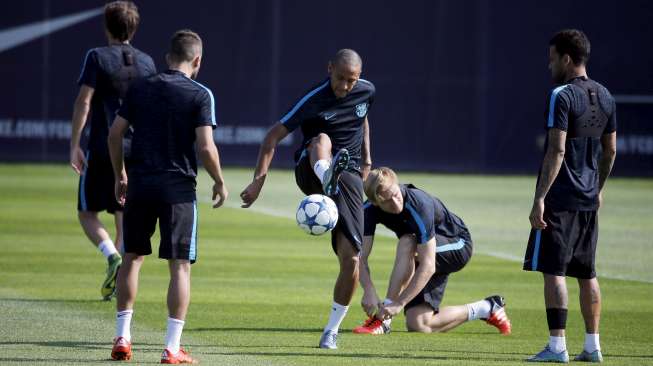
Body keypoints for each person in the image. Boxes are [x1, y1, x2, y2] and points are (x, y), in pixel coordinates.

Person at [240, 49, 374, 349]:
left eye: (351, 80)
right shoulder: (313, 98)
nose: (345, 86)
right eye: (341, 78)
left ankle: (331, 330)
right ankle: (327, 173)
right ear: (329, 69)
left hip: (350, 174)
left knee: (352, 259)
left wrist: (366, 162)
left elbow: (364, 118)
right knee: (322, 140)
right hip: (309, 169)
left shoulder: (366, 91)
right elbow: (271, 137)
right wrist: (258, 182)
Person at [107, 29, 227, 363]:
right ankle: (171, 348)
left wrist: (120, 174)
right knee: (179, 268)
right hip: (177, 188)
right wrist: (219, 180)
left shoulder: (140, 87)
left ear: (166, 56)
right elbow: (205, 146)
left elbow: (114, 134)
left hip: (141, 185)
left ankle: (122, 337)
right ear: (198, 60)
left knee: (131, 257)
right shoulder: (200, 94)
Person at [524, 29, 617, 363]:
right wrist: (598, 188)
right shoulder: (606, 95)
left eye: (552, 59)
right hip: (589, 201)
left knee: (555, 272)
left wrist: (539, 198)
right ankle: (593, 347)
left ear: (566, 58)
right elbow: (611, 151)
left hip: (561, 199)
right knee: (587, 274)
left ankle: (557, 346)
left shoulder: (561, 95)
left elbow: (557, 150)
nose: (549, 65)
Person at [352, 167, 511, 336]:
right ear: (376, 202)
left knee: (407, 242)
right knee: (419, 324)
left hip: (457, 244)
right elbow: (360, 256)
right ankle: (487, 308)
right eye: (388, 201)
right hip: (426, 250)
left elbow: (428, 266)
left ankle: (383, 322)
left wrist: (398, 304)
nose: (396, 203)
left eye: (396, 195)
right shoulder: (368, 210)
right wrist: (368, 290)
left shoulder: (419, 204)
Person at [70, 1, 156, 300]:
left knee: (86, 213)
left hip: (103, 147)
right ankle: (118, 279)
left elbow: (84, 101)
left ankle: (111, 256)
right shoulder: (147, 63)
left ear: (107, 27)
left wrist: (74, 145)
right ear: (134, 27)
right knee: (123, 218)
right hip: (136, 152)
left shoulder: (96, 57)